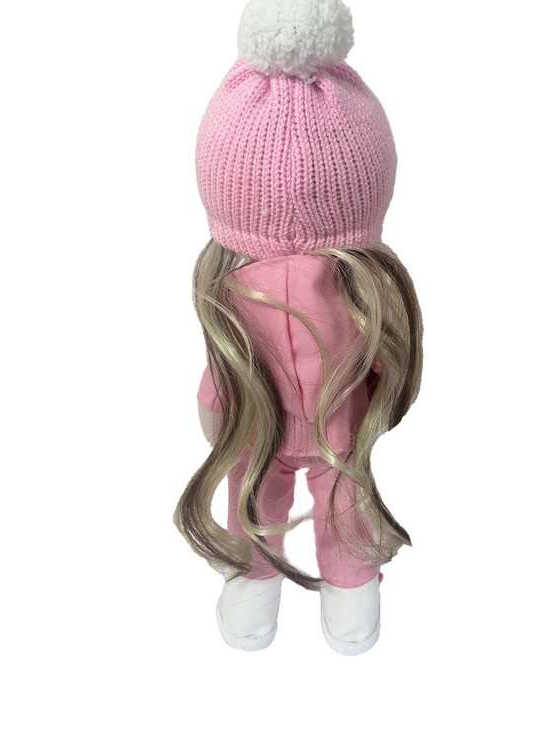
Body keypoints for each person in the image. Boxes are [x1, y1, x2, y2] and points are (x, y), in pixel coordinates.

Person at [174, 0, 423, 655]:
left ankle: (253, 593)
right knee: (346, 502)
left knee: (253, 499)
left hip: (256, 431)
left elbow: (216, 386)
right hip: (342, 426)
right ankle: (352, 596)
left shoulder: (229, 291)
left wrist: (215, 416)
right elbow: (383, 365)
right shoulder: (366, 291)